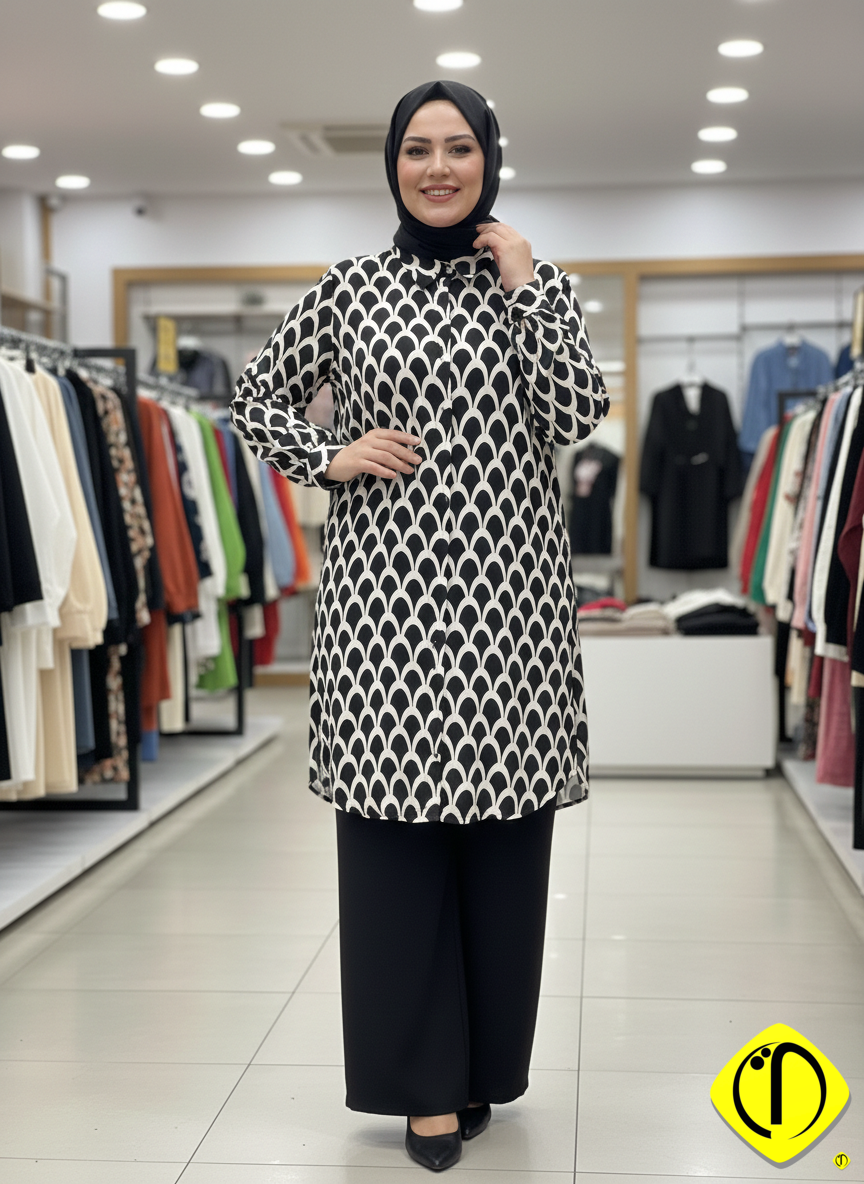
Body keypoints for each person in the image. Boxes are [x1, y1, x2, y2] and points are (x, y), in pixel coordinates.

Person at [231, 79, 608, 1173]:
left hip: (510, 619)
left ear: (490, 159)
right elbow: (254, 399)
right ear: (391, 164)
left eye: (458, 148)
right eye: (416, 150)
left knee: (503, 852)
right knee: (395, 856)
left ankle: (484, 1066)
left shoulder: (534, 285)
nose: (437, 168)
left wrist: (526, 286)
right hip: (384, 619)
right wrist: (330, 454)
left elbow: (576, 412)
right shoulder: (349, 288)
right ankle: (424, 1089)